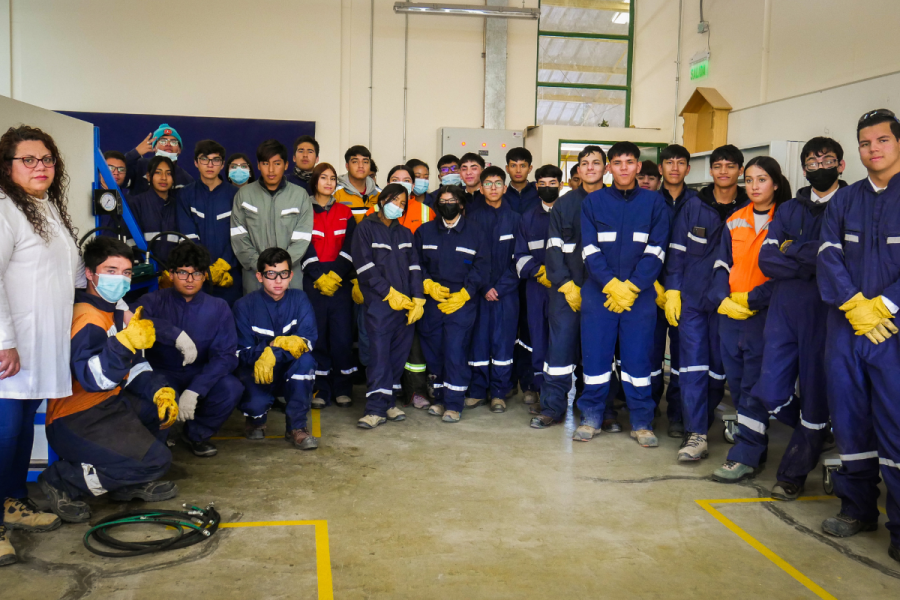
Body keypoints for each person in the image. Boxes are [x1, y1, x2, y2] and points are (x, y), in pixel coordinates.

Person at [39, 237, 179, 525]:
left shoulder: (113, 311)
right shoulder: (87, 318)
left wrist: (160, 390)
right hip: (77, 418)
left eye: (126, 272)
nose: (121, 279)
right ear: (90, 274)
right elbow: (93, 379)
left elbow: (133, 368)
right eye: (111, 271)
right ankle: (64, 481)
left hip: (108, 406)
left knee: (159, 410)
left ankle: (127, 482)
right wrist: (124, 344)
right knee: (158, 461)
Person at [818, 109, 900, 562]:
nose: (874, 149)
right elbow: (827, 254)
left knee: (897, 425)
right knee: (849, 421)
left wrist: (884, 306)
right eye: (866, 143)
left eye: (883, 140)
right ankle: (857, 509)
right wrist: (854, 305)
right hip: (847, 329)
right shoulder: (844, 201)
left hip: (893, 331)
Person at [0, 125, 82, 565]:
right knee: (4, 432)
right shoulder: (4, 210)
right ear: (8, 166)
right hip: (11, 349)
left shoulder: (45, 208)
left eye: (46, 159)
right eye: (28, 160)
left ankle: (13, 501)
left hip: (41, 346)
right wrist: (4, 342)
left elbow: (70, 276)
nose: (39, 167)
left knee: (16, 435)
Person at [754, 138, 846, 500]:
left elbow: (839, 258)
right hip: (784, 308)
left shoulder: (851, 202)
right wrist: (811, 255)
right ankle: (820, 432)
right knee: (770, 391)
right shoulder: (790, 207)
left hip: (825, 310)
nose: (817, 165)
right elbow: (767, 259)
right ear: (803, 167)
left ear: (840, 165)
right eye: (811, 160)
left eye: (826, 159)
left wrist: (792, 249)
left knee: (815, 395)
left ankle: (792, 473)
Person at [577, 141, 670, 447]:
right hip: (599, 295)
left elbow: (656, 251)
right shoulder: (592, 203)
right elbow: (589, 250)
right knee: (595, 359)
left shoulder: (655, 204)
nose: (624, 168)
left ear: (638, 167)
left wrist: (631, 287)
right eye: (618, 163)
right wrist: (611, 285)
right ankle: (591, 417)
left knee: (637, 361)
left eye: (630, 162)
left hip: (638, 297)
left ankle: (642, 422)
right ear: (609, 168)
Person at [708, 156, 791, 482]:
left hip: (765, 316)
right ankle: (755, 445)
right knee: (741, 385)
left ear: (775, 183)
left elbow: (787, 273)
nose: (754, 186)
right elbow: (720, 265)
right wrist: (723, 300)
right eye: (750, 180)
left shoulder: (785, 219)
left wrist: (752, 300)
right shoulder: (735, 219)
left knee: (757, 388)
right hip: (731, 316)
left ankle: (744, 454)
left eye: (761, 180)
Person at [664, 144, 749, 462]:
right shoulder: (693, 206)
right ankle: (696, 432)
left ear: (740, 170)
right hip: (695, 301)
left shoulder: (750, 207)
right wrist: (673, 290)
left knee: (722, 370)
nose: (724, 171)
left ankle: (731, 426)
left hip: (734, 303)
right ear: (710, 171)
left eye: (730, 166)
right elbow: (676, 252)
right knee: (693, 366)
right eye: (718, 166)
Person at [131, 241, 243, 458]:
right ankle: (160, 438)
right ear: (170, 274)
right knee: (158, 398)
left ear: (205, 276)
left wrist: (195, 390)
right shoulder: (153, 301)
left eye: (197, 273)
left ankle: (196, 434)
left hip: (200, 372)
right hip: (163, 373)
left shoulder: (218, 308)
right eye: (183, 273)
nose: (190, 280)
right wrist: (172, 333)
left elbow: (225, 356)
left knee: (231, 388)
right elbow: (131, 317)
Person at [532, 146, 605, 428]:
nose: (589, 168)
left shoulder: (612, 202)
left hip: (601, 291)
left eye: (595, 163)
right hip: (566, 292)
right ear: (577, 170)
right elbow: (553, 248)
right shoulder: (564, 204)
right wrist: (565, 284)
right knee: (559, 351)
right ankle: (552, 407)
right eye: (584, 163)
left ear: (604, 168)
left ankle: (599, 410)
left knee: (598, 352)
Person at [415, 185, 489, 423]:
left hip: (461, 301)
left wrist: (466, 293)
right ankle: (438, 399)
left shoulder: (475, 232)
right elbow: (416, 263)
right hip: (432, 300)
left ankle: (454, 404)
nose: (447, 204)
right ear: (437, 205)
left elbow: (482, 266)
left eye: (452, 201)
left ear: (461, 204)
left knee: (455, 350)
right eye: (443, 201)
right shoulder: (425, 231)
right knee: (434, 351)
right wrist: (427, 284)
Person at [353, 184, 425, 428]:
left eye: (403, 203)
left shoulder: (405, 234)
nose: (399, 206)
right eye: (395, 200)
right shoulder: (365, 229)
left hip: (405, 308)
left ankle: (389, 403)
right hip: (380, 307)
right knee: (379, 358)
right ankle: (374, 409)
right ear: (382, 200)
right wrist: (389, 293)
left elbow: (415, 267)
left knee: (397, 357)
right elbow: (365, 269)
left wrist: (418, 298)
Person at [233, 248, 318, 449]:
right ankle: (256, 417)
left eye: (283, 274)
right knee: (255, 403)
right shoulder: (243, 306)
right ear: (259, 277)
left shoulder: (300, 300)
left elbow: (308, 342)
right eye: (271, 274)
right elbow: (240, 353)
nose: (278, 280)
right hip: (257, 371)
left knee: (306, 361)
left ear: (291, 276)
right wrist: (268, 347)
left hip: (290, 370)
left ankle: (296, 427)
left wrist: (274, 353)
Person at [300, 163, 356, 409]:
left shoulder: (346, 212)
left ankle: (343, 387)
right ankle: (321, 388)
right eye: (323, 178)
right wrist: (317, 275)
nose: (329, 182)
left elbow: (351, 246)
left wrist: (336, 274)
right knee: (319, 336)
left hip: (340, 283)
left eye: (333, 178)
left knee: (342, 337)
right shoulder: (303, 211)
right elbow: (302, 245)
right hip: (314, 283)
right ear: (314, 181)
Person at [651, 145, 697, 438]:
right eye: (669, 162)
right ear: (660, 168)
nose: (675, 168)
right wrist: (653, 284)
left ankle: (679, 414)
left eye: (681, 163)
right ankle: (650, 408)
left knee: (683, 356)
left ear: (688, 169)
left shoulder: (699, 201)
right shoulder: (648, 201)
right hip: (650, 289)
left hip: (686, 291)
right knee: (650, 353)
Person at [466, 166, 521, 413]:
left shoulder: (516, 219)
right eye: (488, 183)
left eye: (498, 183)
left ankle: (499, 392)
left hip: (506, 294)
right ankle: (478, 390)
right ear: (480, 187)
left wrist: (500, 287)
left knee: (503, 341)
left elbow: (520, 258)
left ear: (505, 188)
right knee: (478, 340)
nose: (493, 188)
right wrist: (485, 286)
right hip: (479, 291)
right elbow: (469, 258)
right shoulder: (471, 218)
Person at [230, 139, 313, 295]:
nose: (271, 170)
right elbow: (239, 237)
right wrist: (263, 267)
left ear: (286, 165)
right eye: (266, 163)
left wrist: (280, 270)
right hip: (255, 278)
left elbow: (302, 238)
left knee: (291, 319)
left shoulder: (300, 196)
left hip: (289, 280)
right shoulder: (244, 195)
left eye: (277, 163)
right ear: (259, 165)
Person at [512, 165, 562, 407]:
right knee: (537, 338)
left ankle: (558, 392)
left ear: (560, 185)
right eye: (542, 184)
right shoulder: (528, 218)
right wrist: (538, 271)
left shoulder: (569, 213)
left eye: (552, 183)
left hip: (565, 289)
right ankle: (539, 388)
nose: (547, 188)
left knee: (562, 340)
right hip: (536, 287)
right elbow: (519, 255)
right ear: (536, 187)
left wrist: (561, 276)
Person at [177, 140, 242, 305]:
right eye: (204, 159)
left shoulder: (236, 195)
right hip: (198, 276)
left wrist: (224, 264)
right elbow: (188, 235)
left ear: (222, 165)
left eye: (216, 160)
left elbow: (240, 236)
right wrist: (204, 267)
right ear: (196, 163)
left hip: (230, 276)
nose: (210, 164)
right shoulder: (186, 195)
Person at [129, 155, 180, 264]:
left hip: (172, 274)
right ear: (148, 176)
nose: (164, 178)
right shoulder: (136, 203)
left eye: (168, 173)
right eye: (158, 172)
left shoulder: (179, 206)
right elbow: (130, 244)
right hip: (144, 273)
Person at [124, 123, 194, 195]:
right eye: (163, 141)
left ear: (179, 150)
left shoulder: (187, 179)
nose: (168, 144)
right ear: (154, 147)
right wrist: (134, 153)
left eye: (173, 142)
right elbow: (116, 177)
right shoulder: (139, 166)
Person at [334, 145, 379, 223]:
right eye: (355, 162)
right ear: (347, 166)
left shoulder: (380, 194)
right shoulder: (335, 193)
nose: (361, 166)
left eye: (365, 162)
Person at [503, 147, 538, 215]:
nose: (518, 170)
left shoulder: (538, 193)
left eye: (522, 166)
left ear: (530, 169)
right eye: (513, 166)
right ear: (507, 169)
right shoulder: (501, 195)